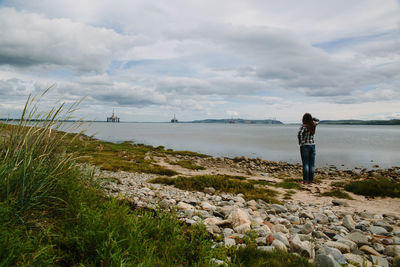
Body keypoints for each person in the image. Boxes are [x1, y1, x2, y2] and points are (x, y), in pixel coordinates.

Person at [297, 113, 319, 184]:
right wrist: (311, 119)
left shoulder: (303, 126)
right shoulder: (314, 125)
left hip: (305, 146)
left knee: (305, 164)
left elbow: (299, 134)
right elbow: (317, 120)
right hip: (313, 145)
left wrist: (301, 142)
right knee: (312, 164)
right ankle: (310, 181)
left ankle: (305, 181)